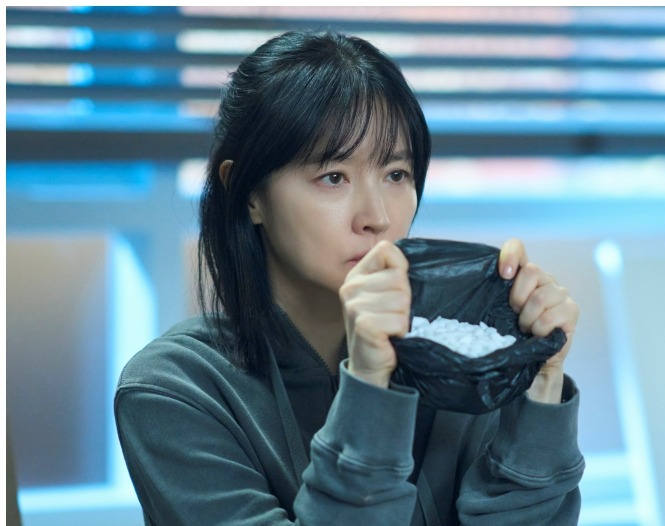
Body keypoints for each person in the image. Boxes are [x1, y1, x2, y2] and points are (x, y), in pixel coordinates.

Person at [114, 30, 584, 526]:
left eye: (396, 174)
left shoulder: (460, 367)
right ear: (248, 193)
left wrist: (539, 383)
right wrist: (369, 385)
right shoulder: (172, 390)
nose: (376, 217)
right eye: (333, 177)